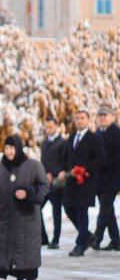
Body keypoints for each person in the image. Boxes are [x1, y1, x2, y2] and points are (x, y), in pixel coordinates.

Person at [0, 135, 49, 280]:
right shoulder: (1, 167)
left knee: (26, 249)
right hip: (3, 215)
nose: (9, 151)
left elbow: (44, 187)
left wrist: (28, 193)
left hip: (26, 218)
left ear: (18, 149)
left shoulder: (33, 166)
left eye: (12, 148)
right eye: (6, 148)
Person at [60, 110, 104, 257]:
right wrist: (62, 171)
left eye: (82, 118)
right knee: (68, 209)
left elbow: (100, 159)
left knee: (81, 212)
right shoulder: (71, 137)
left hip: (85, 182)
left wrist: (84, 169)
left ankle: (81, 245)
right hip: (71, 182)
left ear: (88, 120)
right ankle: (88, 236)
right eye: (77, 118)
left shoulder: (94, 139)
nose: (79, 120)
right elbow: (65, 158)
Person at [93, 105, 120, 251]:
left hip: (112, 178)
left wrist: (106, 163)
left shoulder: (116, 132)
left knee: (104, 209)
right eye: (100, 115)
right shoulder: (97, 133)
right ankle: (116, 240)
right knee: (108, 211)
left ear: (112, 117)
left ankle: (96, 238)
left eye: (105, 115)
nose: (102, 118)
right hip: (99, 179)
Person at [40, 117, 66, 249]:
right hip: (44, 184)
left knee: (56, 212)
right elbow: (43, 161)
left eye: (50, 126)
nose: (48, 129)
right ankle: (43, 238)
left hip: (56, 183)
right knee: (36, 209)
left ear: (56, 126)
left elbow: (64, 162)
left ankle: (55, 240)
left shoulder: (62, 142)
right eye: (46, 127)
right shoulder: (44, 143)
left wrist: (53, 173)